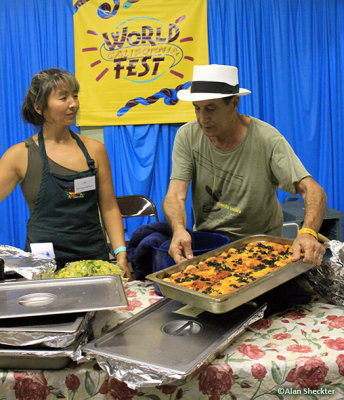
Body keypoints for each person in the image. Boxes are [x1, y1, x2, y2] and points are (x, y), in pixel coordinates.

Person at [163, 64, 326, 266]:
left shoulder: (267, 139)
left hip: (261, 248)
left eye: (211, 109)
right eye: (197, 108)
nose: (202, 119)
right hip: (209, 247)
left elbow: (313, 191)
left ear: (234, 103)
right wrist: (179, 228)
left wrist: (308, 232)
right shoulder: (187, 136)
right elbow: (175, 196)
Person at [0, 68, 132, 279]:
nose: (74, 104)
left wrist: (121, 253)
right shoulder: (20, 155)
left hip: (94, 261)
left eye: (75, 95)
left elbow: (108, 207)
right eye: (63, 98)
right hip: (44, 266)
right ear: (39, 108)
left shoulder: (95, 150)